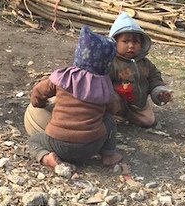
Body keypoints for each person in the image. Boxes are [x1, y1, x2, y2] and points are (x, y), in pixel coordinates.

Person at [26, 26, 122, 168]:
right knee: (108, 120)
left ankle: (46, 157)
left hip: (57, 143)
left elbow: (38, 92)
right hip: (90, 147)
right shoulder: (105, 87)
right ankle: (108, 155)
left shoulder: (63, 77)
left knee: (33, 141)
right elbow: (113, 109)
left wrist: (39, 104)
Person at [107, 11, 173, 128]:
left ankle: (127, 115)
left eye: (136, 42)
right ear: (114, 42)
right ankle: (111, 116)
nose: (131, 46)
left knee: (149, 121)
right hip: (119, 100)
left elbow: (154, 77)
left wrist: (159, 92)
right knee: (110, 100)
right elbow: (103, 81)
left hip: (137, 103)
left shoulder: (145, 64)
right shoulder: (112, 63)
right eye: (125, 41)